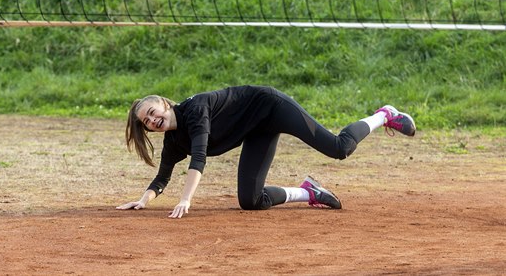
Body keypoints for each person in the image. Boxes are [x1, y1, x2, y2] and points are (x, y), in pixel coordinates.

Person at [117, 85, 415, 218]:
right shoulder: (173, 141)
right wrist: (144, 199)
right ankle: (309, 192)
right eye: (147, 122)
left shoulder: (195, 110)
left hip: (271, 107)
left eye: (154, 112)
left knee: (339, 148)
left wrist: (186, 200)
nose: (153, 120)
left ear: (166, 105)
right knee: (250, 201)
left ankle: (384, 115)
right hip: (256, 130)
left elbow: (199, 158)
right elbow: (162, 177)